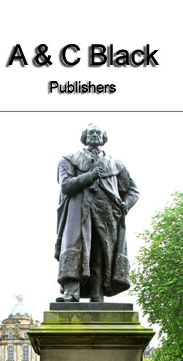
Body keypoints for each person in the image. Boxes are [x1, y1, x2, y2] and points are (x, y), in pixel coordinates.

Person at [55, 124, 139, 302]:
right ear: (84, 137)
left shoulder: (116, 164)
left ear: (103, 138)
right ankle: (71, 292)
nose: (94, 135)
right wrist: (90, 176)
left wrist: (126, 204)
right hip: (79, 212)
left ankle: (97, 294)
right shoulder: (70, 159)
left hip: (107, 213)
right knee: (75, 248)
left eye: (98, 133)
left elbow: (133, 190)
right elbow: (66, 185)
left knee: (101, 252)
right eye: (91, 133)